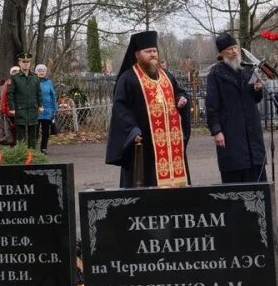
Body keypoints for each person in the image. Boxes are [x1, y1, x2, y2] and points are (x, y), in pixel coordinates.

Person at [105, 30, 191, 188]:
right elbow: (120, 108)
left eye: (154, 51)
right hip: (145, 142)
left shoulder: (166, 75)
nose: (152, 54)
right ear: (137, 54)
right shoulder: (128, 78)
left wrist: (181, 99)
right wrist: (132, 130)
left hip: (171, 143)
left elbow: (179, 92)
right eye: (148, 51)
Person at [205, 32, 266, 183]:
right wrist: (217, 131)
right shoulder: (216, 74)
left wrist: (257, 89)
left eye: (235, 47)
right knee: (236, 172)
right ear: (222, 53)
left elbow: (255, 99)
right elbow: (211, 105)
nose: (234, 51)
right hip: (230, 130)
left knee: (256, 175)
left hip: (252, 130)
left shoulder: (247, 69)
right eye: (230, 49)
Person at [8, 53, 43, 149]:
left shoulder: (35, 77)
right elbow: (10, 94)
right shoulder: (15, 78)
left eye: (27, 62)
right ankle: (22, 154)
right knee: (21, 136)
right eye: (23, 62)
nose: (26, 64)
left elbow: (39, 92)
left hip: (32, 108)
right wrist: (12, 108)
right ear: (19, 63)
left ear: (30, 63)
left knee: (33, 135)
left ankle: (32, 154)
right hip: (20, 109)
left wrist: (40, 105)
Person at [35, 63, 58, 154]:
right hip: (36, 110)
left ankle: (43, 148)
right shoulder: (34, 81)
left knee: (46, 131)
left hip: (47, 110)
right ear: (36, 72)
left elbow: (53, 95)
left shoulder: (49, 82)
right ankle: (33, 149)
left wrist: (54, 109)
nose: (42, 72)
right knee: (35, 131)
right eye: (40, 71)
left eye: (43, 71)